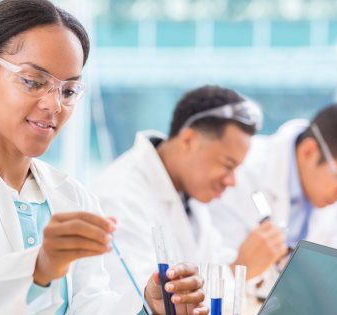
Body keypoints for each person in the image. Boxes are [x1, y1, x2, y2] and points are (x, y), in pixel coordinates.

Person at [0, 1, 207, 314]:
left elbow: (89, 305)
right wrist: (37, 268)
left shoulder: (72, 196)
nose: (53, 105)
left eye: (69, 90)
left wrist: (147, 308)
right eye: (33, 81)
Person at [94, 85, 286, 313]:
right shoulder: (120, 196)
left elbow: (212, 264)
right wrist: (239, 269)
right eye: (227, 165)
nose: (232, 181)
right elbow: (139, 300)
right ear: (188, 140)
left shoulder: (189, 193)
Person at [208, 104, 337, 296]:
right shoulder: (240, 171)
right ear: (309, 151)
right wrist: (246, 267)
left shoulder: (333, 198)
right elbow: (211, 275)